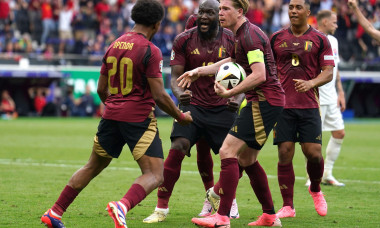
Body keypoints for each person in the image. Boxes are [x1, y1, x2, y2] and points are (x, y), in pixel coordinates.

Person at [40, 1, 192, 227]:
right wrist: (180, 117)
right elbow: (159, 95)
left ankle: (55, 212)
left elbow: (102, 89)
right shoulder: (152, 51)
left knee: (92, 166)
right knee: (155, 175)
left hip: (110, 115)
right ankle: (122, 206)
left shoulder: (114, 44)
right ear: (157, 24)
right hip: (138, 119)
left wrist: (115, 106)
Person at [178, 0, 285, 226]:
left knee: (228, 150)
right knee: (247, 158)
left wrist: (230, 93)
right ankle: (269, 216)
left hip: (264, 101)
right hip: (265, 101)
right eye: (220, 9)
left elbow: (259, 75)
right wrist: (200, 71)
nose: (220, 13)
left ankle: (222, 217)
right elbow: (233, 60)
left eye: (225, 9)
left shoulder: (249, 36)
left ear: (240, 11)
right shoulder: (241, 34)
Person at [143, 0, 243, 223]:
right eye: (201, 12)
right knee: (178, 147)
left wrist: (238, 97)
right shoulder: (184, 39)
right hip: (193, 106)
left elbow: (243, 74)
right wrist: (179, 95)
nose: (204, 17)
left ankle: (221, 197)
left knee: (237, 158)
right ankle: (161, 208)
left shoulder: (232, 39)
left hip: (223, 106)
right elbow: (175, 77)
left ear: (219, 15)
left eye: (210, 12)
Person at [270, 0, 334, 218]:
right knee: (285, 153)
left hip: (309, 105)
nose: (293, 11)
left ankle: (315, 189)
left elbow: (328, 72)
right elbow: (267, 68)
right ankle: (288, 206)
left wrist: (311, 83)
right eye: (291, 7)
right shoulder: (276, 38)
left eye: (298, 7)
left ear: (308, 11)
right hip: (283, 107)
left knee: (314, 154)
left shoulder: (320, 39)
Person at [305, 10, 346, 187]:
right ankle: (312, 177)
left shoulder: (334, 41)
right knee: (314, 140)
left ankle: (327, 173)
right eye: (334, 22)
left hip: (332, 97)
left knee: (339, 133)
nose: (336, 25)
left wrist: (341, 91)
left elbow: (334, 68)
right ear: (324, 22)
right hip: (318, 97)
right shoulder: (314, 39)